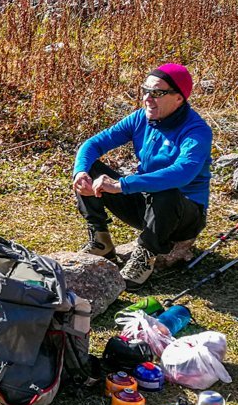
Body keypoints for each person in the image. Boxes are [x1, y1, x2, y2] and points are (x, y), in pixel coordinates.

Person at [72, 63, 212, 289]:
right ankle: (101, 240)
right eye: (145, 90)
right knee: (89, 168)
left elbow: (182, 173)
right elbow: (94, 144)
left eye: (157, 93)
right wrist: (80, 173)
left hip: (183, 215)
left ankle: (145, 254)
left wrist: (122, 185)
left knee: (165, 189)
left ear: (178, 98)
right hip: (146, 205)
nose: (147, 98)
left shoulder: (196, 131)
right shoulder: (141, 118)